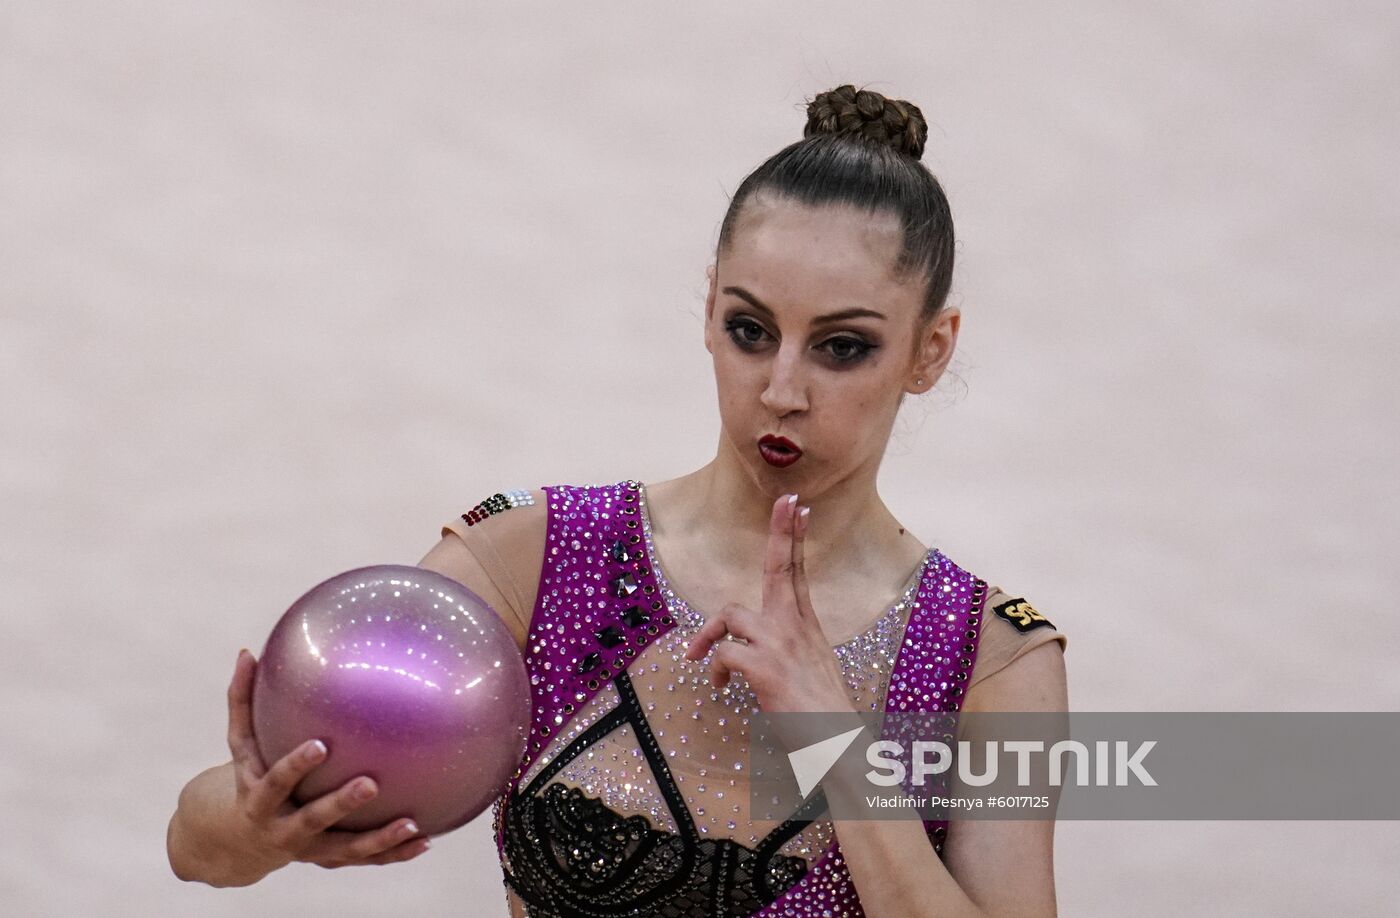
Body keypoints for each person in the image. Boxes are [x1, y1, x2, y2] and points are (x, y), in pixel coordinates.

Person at [167, 84, 1069, 917]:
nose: (782, 390)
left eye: (841, 348)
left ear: (930, 349)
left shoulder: (990, 659)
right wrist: (254, 823)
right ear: (709, 307)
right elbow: (197, 847)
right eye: (750, 332)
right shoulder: (534, 557)